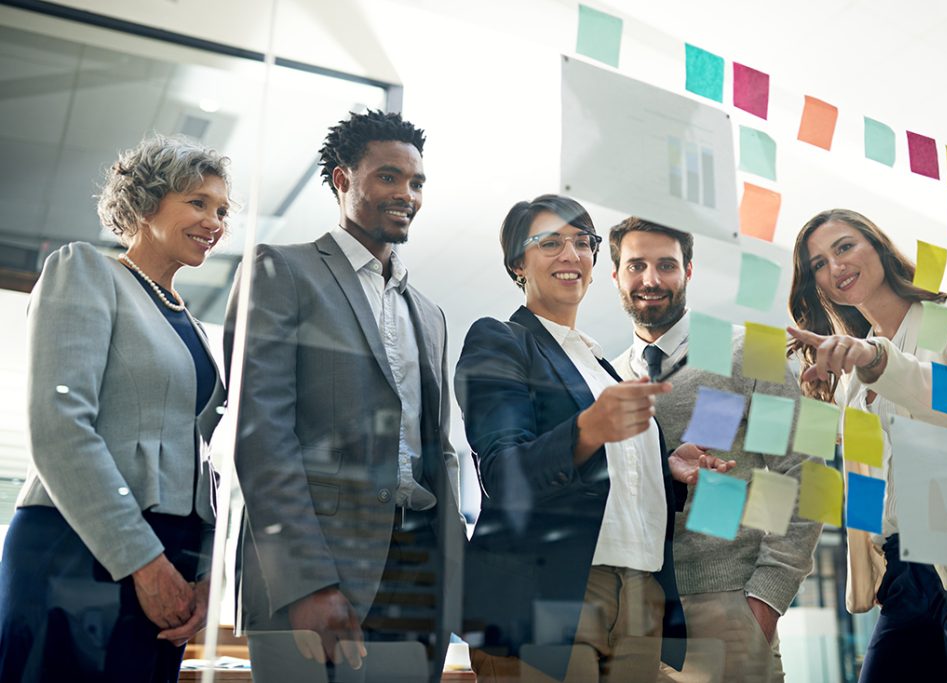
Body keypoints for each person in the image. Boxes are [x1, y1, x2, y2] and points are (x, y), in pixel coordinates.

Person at [224, 110, 462, 683]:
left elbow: (439, 449)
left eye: (417, 182)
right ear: (341, 180)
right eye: (387, 177)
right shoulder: (281, 270)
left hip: (415, 573)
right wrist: (307, 581)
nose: (406, 193)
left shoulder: (429, 313)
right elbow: (261, 437)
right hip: (318, 567)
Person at [455, 195, 721, 682]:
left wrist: (668, 470)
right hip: (549, 592)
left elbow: (609, 477)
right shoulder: (501, 340)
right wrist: (586, 429)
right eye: (550, 242)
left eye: (583, 242)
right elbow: (503, 473)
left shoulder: (600, 368)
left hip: (639, 591)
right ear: (518, 262)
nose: (571, 254)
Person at [0, 135, 230, 682]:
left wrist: (202, 574)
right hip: (81, 552)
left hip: (168, 560)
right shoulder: (86, 271)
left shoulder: (194, 326)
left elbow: (206, 460)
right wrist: (145, 563)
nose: (215, 222)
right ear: (146, 205)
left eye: (222, 210)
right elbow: (59, 428)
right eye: (197, 202)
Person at [787, 208, 947, 682]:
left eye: (845, 247)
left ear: (879, 246)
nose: (834, 267)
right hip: (903, 576)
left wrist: (879, 361)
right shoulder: (855, 381)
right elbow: (868, 482)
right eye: (817, 264)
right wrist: (875, 563)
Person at [608, 216, 822, 683]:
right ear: (616, 276)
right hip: (634, 617)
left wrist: (764, 599)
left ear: (689, 270)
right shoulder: (610, 377)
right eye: (636, 265)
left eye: (666, 265)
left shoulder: (750, 351)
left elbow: (804, 474)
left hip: (725, 607)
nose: (651, 279)